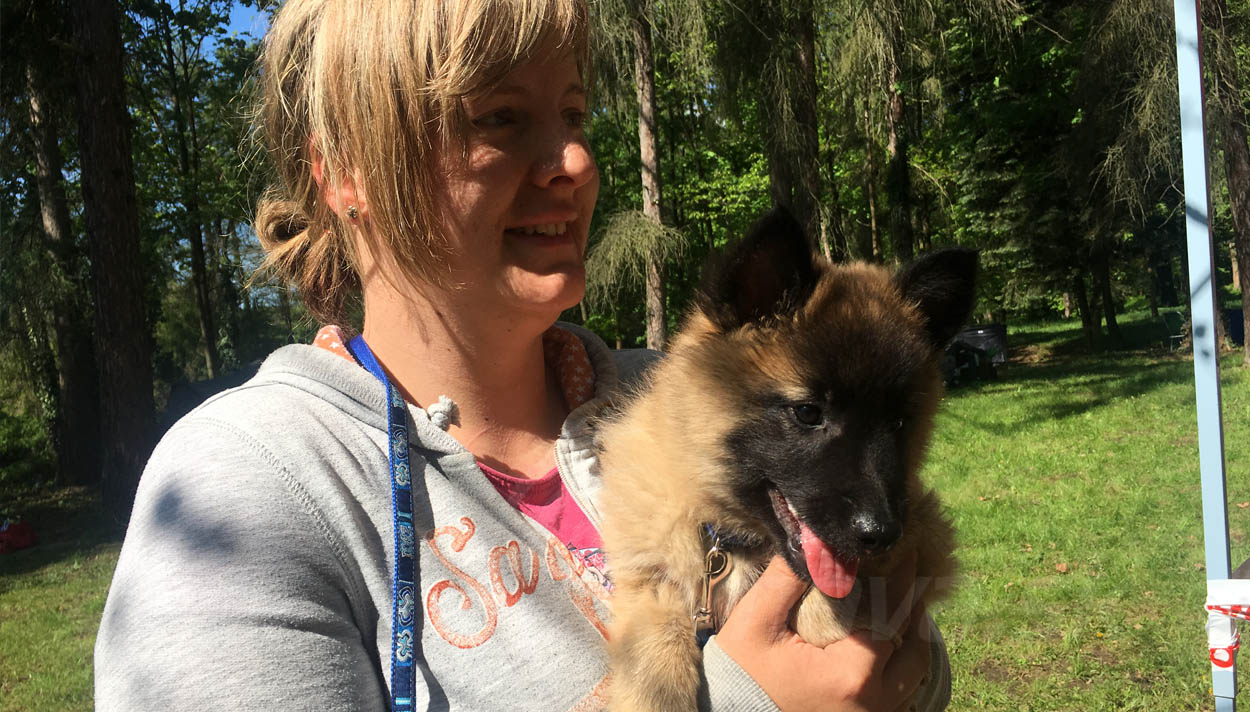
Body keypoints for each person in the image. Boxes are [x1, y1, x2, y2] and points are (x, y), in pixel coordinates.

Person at [93, 0, 951, 710]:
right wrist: (743, 700)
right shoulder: (248, 486)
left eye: (574, 114)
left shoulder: (667, 394)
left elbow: (906, 663)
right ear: (346, 171)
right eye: (499, 117)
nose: (576, 159)